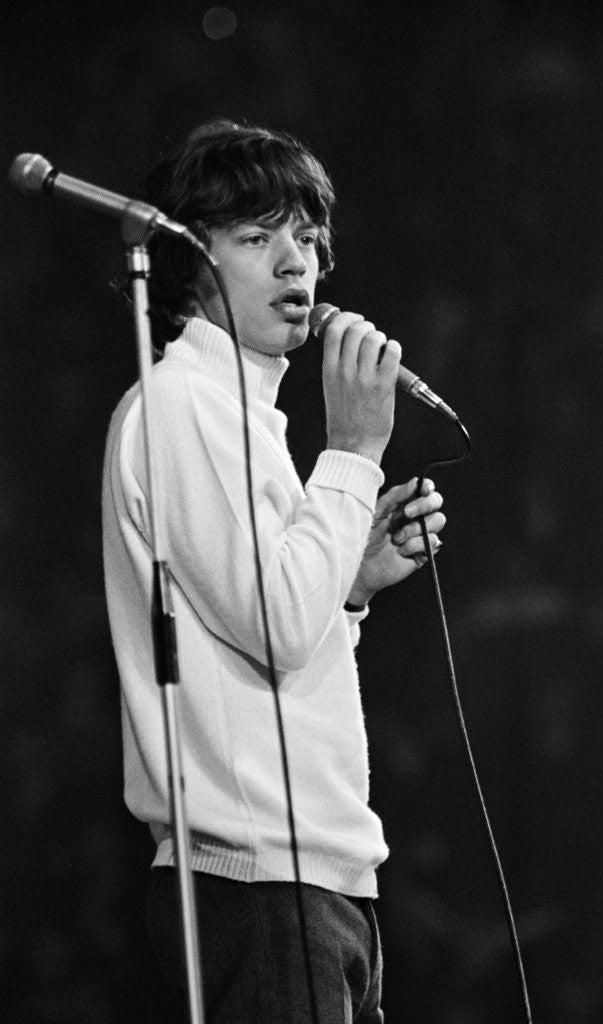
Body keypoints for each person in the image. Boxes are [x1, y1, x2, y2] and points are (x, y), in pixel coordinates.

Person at [101, 118, 446, 1024]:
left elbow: (272, 650)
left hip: (313, 879)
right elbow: (276, 624)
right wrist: (356, 450)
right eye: (258, 237)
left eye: (308, 236)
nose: (298, 262)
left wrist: (351, 587)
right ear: (190, 260)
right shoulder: (183, 404)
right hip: (257, 881)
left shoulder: (243, 414)